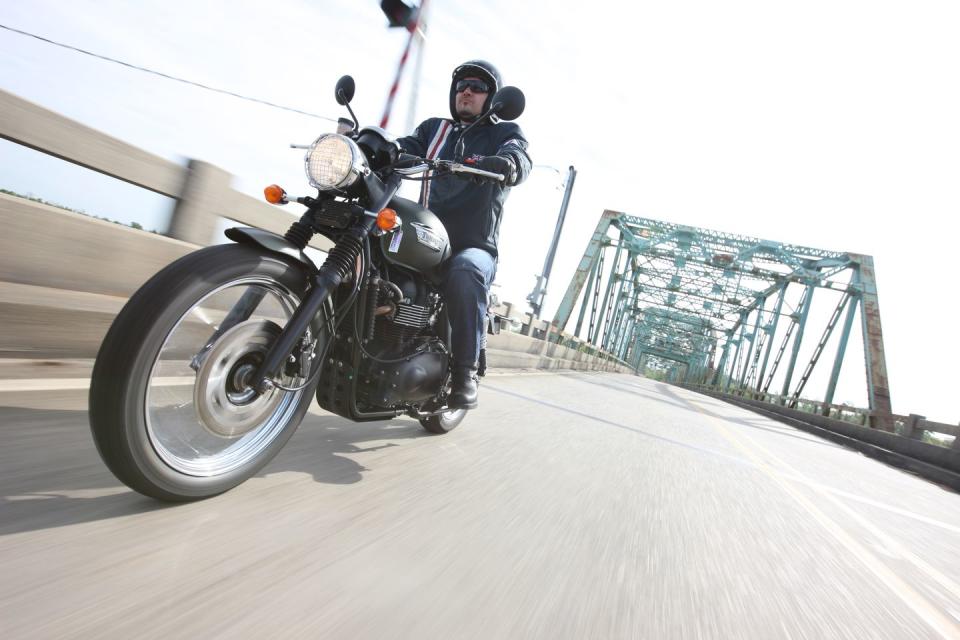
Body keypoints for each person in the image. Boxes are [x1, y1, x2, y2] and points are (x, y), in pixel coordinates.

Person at [397, 59, 532, 410]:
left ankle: (464, 372)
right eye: (461, 86)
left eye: (477, 86)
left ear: (493, 98)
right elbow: (403, 146)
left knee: (467, 270)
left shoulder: (502, 133)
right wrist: (373, 146)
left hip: (473, 245)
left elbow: (520, 155)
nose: (466, 91)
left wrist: (509, 164)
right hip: (425, 237)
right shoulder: (434, 130)